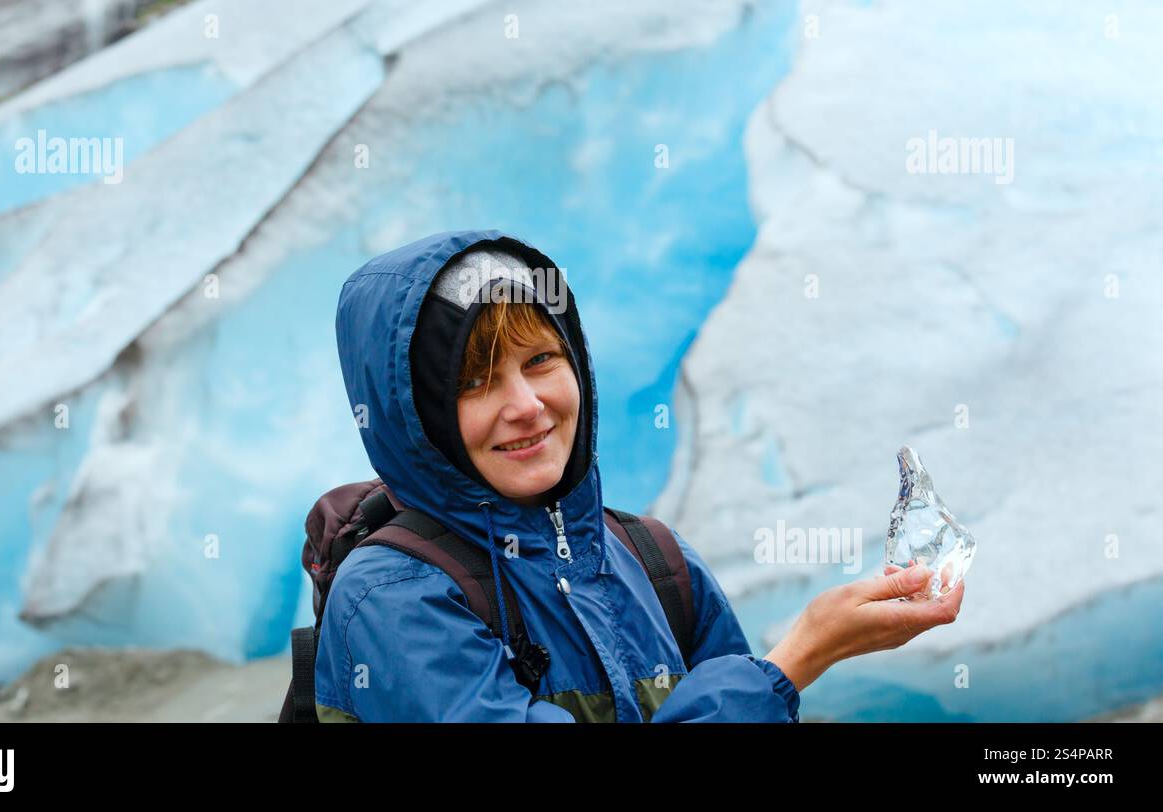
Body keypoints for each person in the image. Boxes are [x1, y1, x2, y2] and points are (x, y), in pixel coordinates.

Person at [313, 229, 964, 722]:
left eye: (540, 359)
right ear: (418, 415)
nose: (526, 406)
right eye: (474, 381)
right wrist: (799, 657)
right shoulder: (393, 597)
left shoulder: (656, 559)